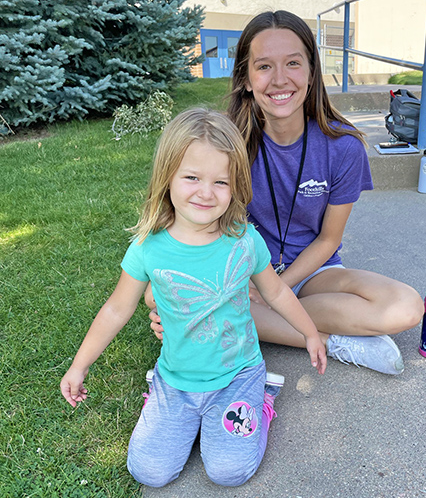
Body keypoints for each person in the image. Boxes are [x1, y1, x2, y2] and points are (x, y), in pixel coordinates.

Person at [60, 107, 326, 488]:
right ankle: (170, 404)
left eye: (221, 181)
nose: (205, 192)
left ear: (236, 185)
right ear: (166, 177)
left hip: (238, 374)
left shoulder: (245, 240)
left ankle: (261, 403)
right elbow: (117, 308)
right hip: (176, 380)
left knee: (229, 471)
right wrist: (79, 365)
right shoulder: (148, 247)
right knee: (148, 471)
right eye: (191, 177)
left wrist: (310, 334)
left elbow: (277, 291)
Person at [148, 10, 424, 376]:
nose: (280, 80)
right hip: (239, 272)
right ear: (246, 78)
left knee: (405, 307)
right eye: (263, 66)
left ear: (311, 73)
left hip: (313, 272)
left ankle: (227, 323)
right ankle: (337, 342)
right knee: (156, 295)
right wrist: (232, 286)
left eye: (293, 63)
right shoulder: (225, 143)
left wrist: (273, 289)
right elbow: (192, 224)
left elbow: (328, 240)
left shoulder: (343, 146)